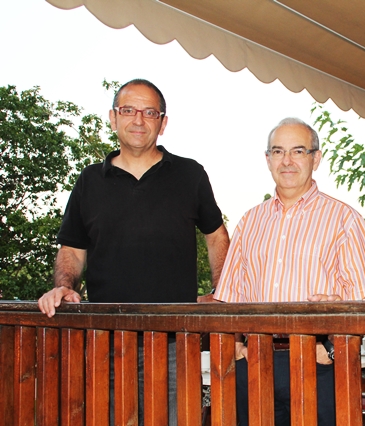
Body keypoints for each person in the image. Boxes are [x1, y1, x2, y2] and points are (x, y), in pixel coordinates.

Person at [38, 79, 230, 425]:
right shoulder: (89, 181)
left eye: (149, 112)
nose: (138, 120)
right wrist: (64, 286)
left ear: (163, 123)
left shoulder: (190, 174)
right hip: (105, 342)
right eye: (128, 110)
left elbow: (216, 236)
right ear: (113, 118)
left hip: (175, 342)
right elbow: (73, 249)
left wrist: (223, 291)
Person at [213, 117, 365, 426]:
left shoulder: (344, 220)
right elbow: (229, 299)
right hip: (256, 363)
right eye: (278, 151)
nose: (287, 161)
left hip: (319, 364)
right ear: (268, 160)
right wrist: (237, 346)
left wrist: (329, 348)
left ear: (316, 158)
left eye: (298, 151)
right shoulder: (249, 222)